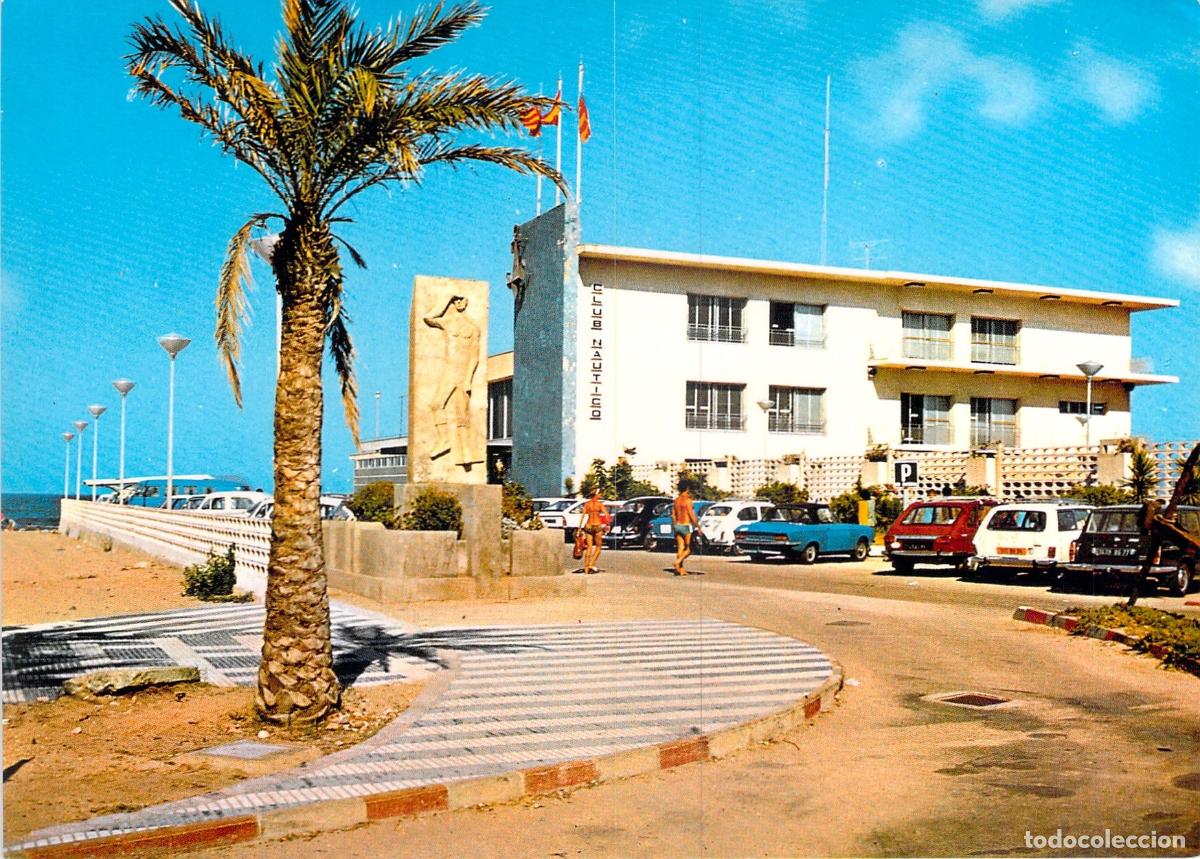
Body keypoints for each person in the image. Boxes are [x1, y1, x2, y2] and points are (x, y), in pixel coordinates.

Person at [672, 484, 700, 575]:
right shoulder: (688, 501)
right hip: (686, 526)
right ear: (687, 489)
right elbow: (691, 515)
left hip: (677, 525)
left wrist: (675, 525)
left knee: (680, 547)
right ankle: (677, 562)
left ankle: (680, 569)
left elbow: (673, 515)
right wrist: (698, 526)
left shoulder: (676, 501)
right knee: (689, 549)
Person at [581, 487, 607, 574]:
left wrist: (579, 528)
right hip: (597, 525)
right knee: (598, 547)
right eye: (600, 494)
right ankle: (591, 564)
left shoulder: (587, 504)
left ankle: (586, 568)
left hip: (588, 525)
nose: (601, 495)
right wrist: (607, 525)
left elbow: (583, 516)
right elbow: (607, 515)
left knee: (589, 547)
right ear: (596, 494)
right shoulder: (599, 505)